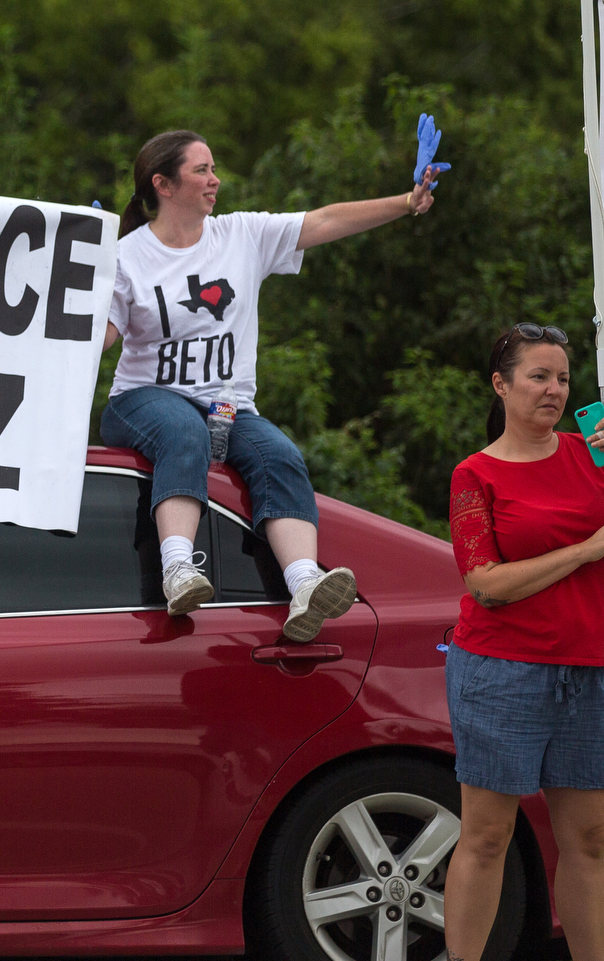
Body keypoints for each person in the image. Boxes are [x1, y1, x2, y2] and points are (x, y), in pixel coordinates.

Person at [428, 323, 604, 961]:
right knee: (486, 833)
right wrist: (585, 548)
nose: (554, 390)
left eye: (563, 378)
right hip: (500, 671)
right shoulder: (476, 474)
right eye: (538, 376)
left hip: (584, 672)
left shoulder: (593, 458)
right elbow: (485, 583)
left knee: (589, 839)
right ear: (501, 385)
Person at [100, 129, 440, 640]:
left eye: (214, 168)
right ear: (163, 185)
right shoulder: (125, 257)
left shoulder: (241, 235)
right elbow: (96, 340)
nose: (216, 180)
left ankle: (305, 586)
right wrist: (74, 273)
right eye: (201, 171)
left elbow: (323, 220)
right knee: (182, 430)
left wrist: (406, 201)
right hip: (143, 402)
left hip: (227, 409)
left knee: (279, 455)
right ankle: (178, 570)